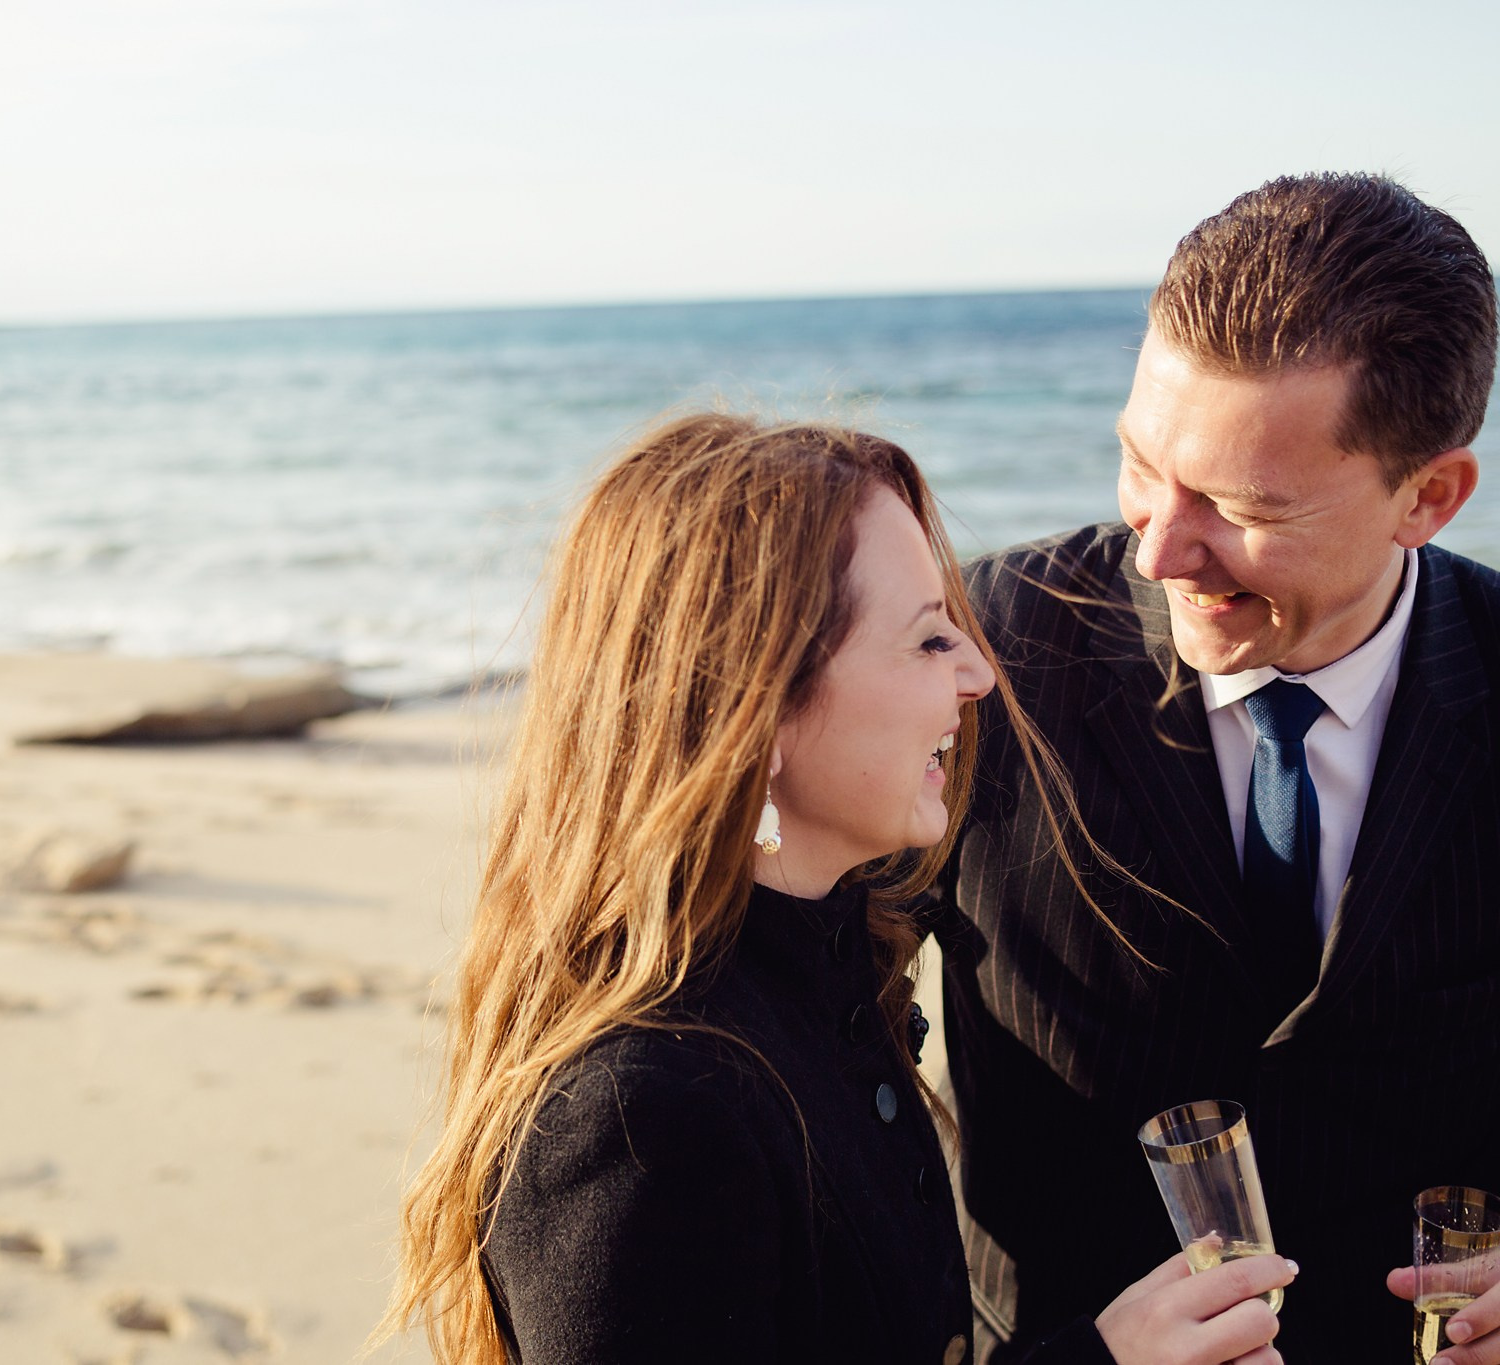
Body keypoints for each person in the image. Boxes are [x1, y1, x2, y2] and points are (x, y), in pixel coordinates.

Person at [381, 413, 1293, 1364]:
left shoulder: (826, 953)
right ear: (757, 707)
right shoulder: (636, 1122)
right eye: (931, 639)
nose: (982, 673)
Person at [937, 172, 1500, 1365]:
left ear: (1429, 496)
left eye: (1240, 506)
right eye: (1142, 464)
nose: (1156, 548)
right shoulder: (982, 654)